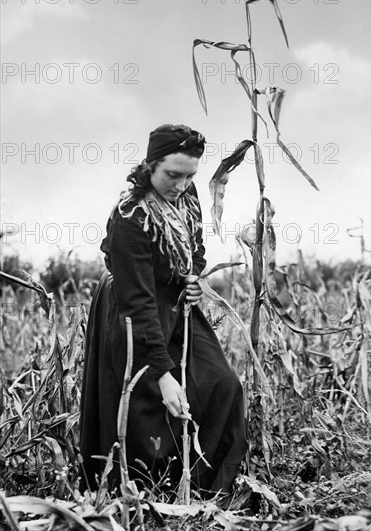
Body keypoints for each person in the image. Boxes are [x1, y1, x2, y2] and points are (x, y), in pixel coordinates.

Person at [79, 124, 248, 496]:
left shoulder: (186, 196)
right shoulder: (130, 217)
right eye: (173, 175)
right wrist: (163, 373)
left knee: (222, 383)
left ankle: (204, 487)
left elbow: (196, 246)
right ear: (151, 166)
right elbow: (137, 304)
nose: (182, 185)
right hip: (131, 309)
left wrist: (193, 276)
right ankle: (140, 493)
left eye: (190, 176)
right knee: (142, 400)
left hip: (176, 304)